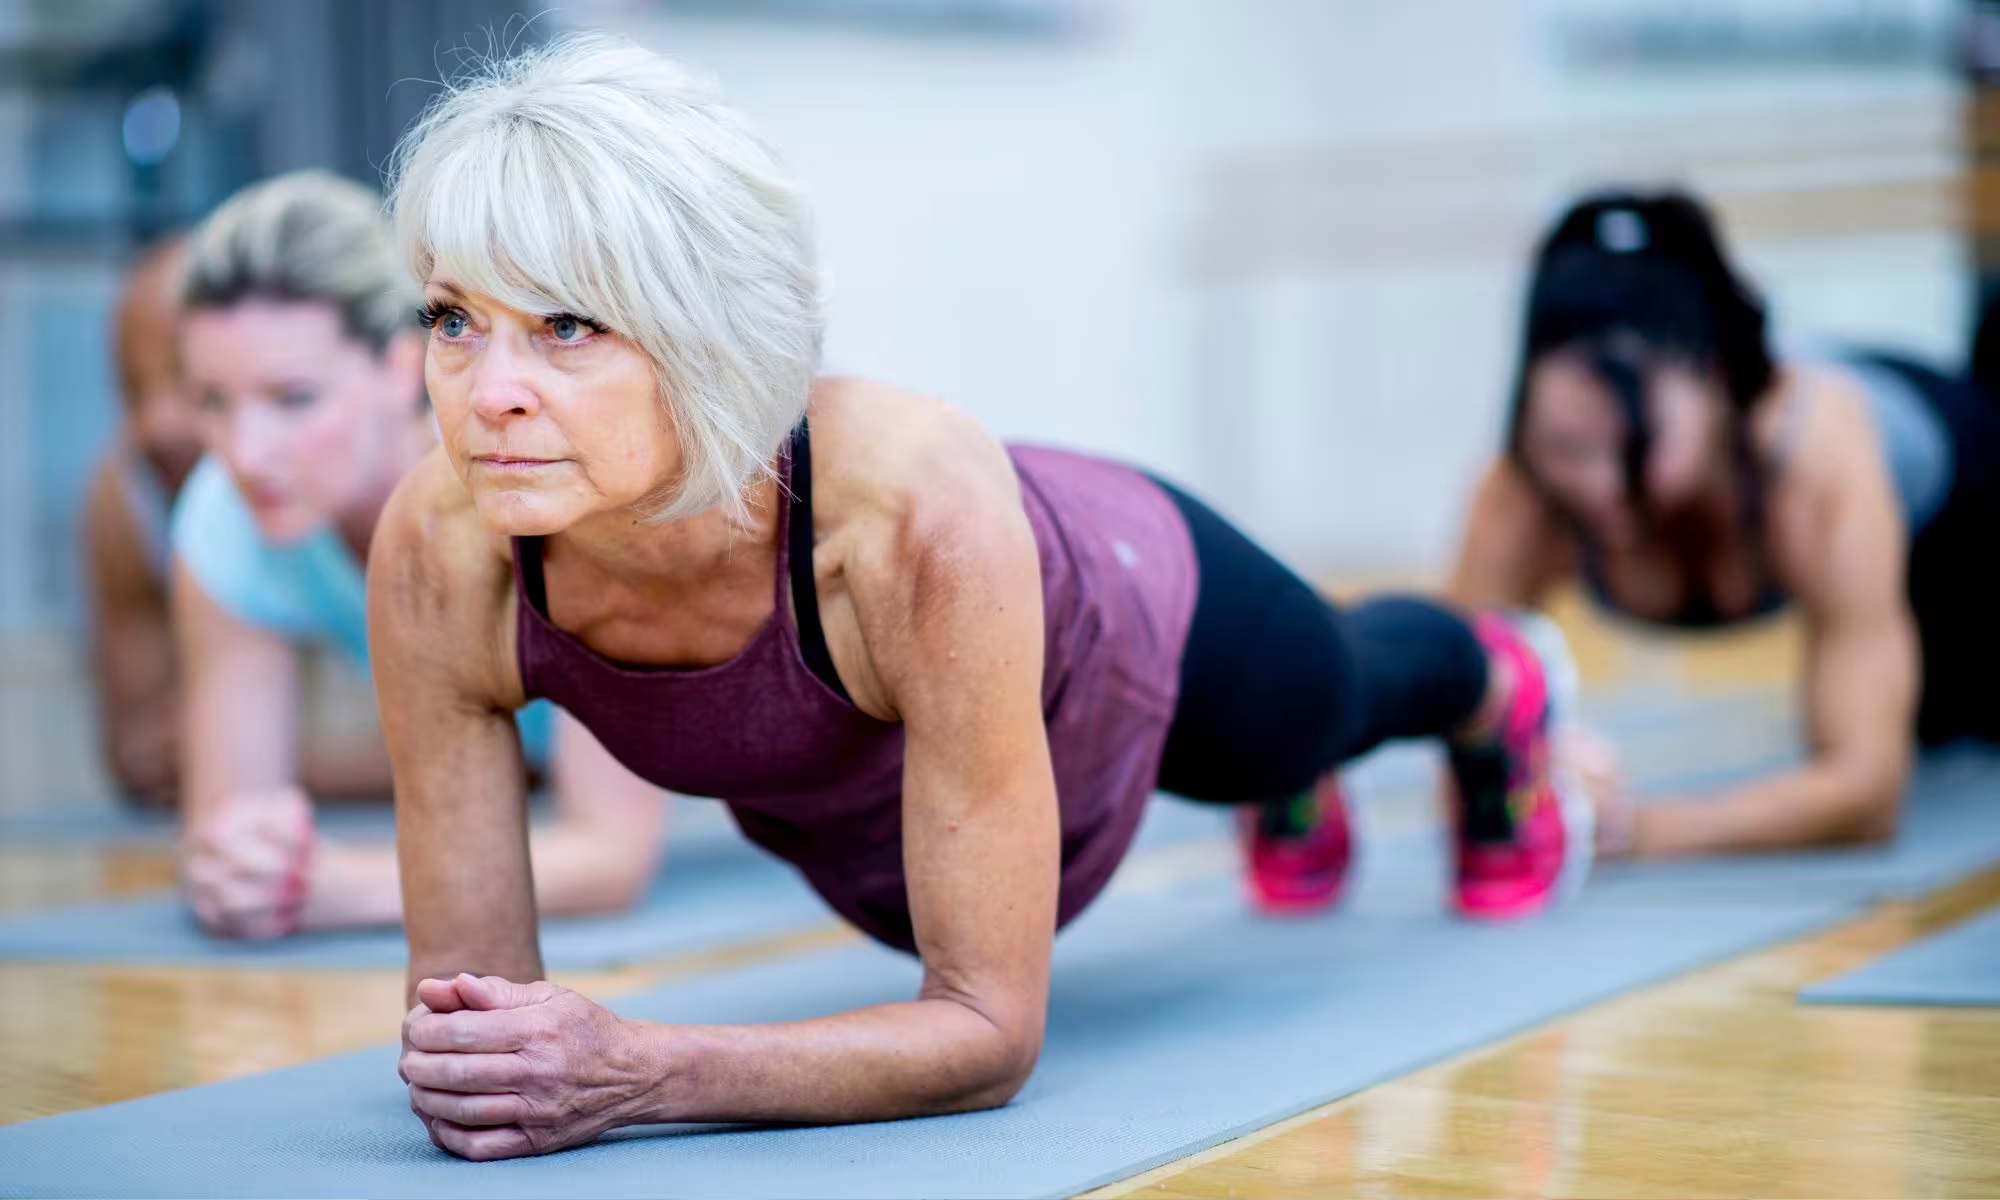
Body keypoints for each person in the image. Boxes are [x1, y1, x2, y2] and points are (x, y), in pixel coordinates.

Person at [373, 36, 1589, 1161]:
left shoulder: (910, 520)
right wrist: (507, 1065)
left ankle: (1492, 680)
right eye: (452, 321)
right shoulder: (444, 547)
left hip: (1127, 601)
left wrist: (642, 1071)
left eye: (568, 326)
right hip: (891, 780)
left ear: (708, 333)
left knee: (1330, 700)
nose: (489, 395)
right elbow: (472, 1029)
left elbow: (985, 1033)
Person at [170, 169, 666, 940]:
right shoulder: (222, 510)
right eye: (213, 401)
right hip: (502, 784)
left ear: (402, 368)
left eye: (292, 399)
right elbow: (228, 826)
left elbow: (610, 854)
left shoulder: (530, 480)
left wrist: (346, 888)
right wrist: (246, 867)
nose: (244, 451)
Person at [1449, 187, 2000, 860]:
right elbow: (1457, 722)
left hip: (1969, 513)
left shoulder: (1814, 469)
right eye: (1567, 446)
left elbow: (1867, 793)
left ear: (1711, 384)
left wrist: (1629, 826)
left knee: (1958, 726)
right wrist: (1532, 773)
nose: (1599, 485)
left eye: (1632, 448)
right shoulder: (1523, 491)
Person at [81, 235, 204, 806]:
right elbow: (145, 758)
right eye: (132, 390)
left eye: (186, 376)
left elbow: (507, 753)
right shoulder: (129, 496)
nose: (157, 425)